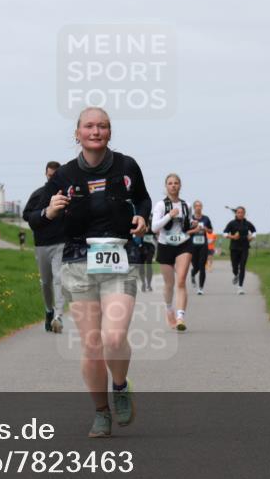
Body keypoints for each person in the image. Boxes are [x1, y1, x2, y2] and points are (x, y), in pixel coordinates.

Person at [35, 107, 151, 437]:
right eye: (89, 126)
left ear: (110, 132)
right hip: (77, 262)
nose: (96, 131)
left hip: (119, 259)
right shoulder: (65, 176)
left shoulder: (127, 166)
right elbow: (37, 216)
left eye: (102, 126)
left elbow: (142, 199)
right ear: (77, 133)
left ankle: (120, 385)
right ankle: (101, 413)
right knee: (92, 344)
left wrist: (141, 218)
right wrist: (50, 210)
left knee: (114, 337)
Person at [24, 161, 67, 332]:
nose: (52, 179)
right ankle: (49, 310)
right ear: (45, 174)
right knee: (45, 282)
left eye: (55, 176)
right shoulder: (38, 194)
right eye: (50, 176)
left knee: (59, 279)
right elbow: (26, 215)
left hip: (61, 243)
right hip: (42, 244)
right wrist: (43, 215)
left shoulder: (65, 195)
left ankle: (58, 316)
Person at [151, 174, 196, 331]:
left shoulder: (186, 205)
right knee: (169, 284)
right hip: (165, 245)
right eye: (170, 183)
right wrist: (170, 215)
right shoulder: (160, 206)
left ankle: (180, 317)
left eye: (176, 183)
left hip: (183, 244)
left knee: (182, 280)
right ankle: (169, 309)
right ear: (166, 186)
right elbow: (154, 227)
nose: (173, 186)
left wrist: (193, 223)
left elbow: (188, 223)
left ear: (180, 186)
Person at [223, 207, 256, 295]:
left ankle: (240, 287)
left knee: (242, 267)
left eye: (242, 212)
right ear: (236, 213)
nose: (240, 214)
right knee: (234, 267)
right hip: (234, 248)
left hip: (245, 247)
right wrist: (232, 237)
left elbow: (254, 231)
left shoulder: (248, 223)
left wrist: (251, 237)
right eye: (238, 212)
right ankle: (235, 274)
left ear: (244, 214)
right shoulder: (231, 223)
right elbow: (224, 233)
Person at [188, 201, 213, 295]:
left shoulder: (206, 218)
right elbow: (186, 232)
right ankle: (193, 273)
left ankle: (201, 288)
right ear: (194, 207)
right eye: (196, 206)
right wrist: (195, 229)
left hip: (203, 245)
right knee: (196, 266)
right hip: (192, 246)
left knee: (202, 266)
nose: (198, 207)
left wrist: (205, 229)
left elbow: (210, 231)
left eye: (200, 206)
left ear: (202, 207)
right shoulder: (190, 219)